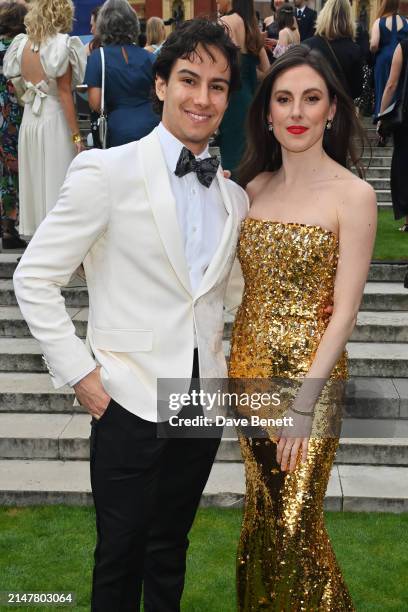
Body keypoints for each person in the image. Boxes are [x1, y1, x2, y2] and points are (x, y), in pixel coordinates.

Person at [13, 18, 248, 612]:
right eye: (189, 80)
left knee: (170, 548)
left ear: (228, 97)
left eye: (217, 86)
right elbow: (33, 277)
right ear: (161, 85)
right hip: (127, 395)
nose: (203, 97)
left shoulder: (233, 197)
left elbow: (224, 297)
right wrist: (82, 376)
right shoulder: (105, 172)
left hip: (198, 397)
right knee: (119, 554)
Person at [229, 45, 377, 609]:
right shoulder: (251, 189)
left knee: (297, 525)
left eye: (311, 99)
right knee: (263, 521)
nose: (297, 111)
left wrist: (303, 404)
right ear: (267, 111)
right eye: (284, 98)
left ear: (332, 110)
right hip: (246, 374)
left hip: (310, 382)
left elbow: (345, 313)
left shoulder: (354, 195)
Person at [3, 0, 86, 238]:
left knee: (34, 181)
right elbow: (64, 95)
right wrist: (77, 136)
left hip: (30, 120)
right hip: (53, 120)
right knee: (59, 183)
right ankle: (58, 241)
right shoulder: (62, 45)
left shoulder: (22, 45)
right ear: (62, 13)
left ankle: (38, 242)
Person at [85, 0, 159, 148]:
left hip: (118, 130)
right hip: (153, 128)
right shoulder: (150, 57)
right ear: (133, 24)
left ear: (103, 25)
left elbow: (95, 103)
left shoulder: (98, 57)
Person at [218, 0, 270, 179]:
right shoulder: (252, 27)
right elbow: (267, 71)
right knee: (249, 159)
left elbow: (223, 68)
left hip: (232, 103)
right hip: (251, 100)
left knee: (232, 161)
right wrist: (249, 71)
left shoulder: (224, 23)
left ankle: (235, 202)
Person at [0, 0, 27, 249]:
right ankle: (15, 226)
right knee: (18, 171)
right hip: (15, 117)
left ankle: (6, 227)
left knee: (4, 174)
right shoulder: (21, 47)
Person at [304, 0, 364, 101]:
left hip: (313, 108)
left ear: (323, 15)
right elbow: (357, 90)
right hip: (341, 110)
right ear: (349, 18)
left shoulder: (307, 45)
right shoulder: (354, 50)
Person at [379, 39, 408, 230]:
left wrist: (382, 116)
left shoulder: (404, 46)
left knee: (404, 161)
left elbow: (392, 84)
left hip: (407, 115)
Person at [370, 0, 408, 117]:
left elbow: (374, 45)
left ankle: (382, 116)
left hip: (383, 60)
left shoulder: (379, 22)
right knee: (400, 86)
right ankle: (398, 114)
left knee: (383, 88)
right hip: (402, 58)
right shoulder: (406, 21)